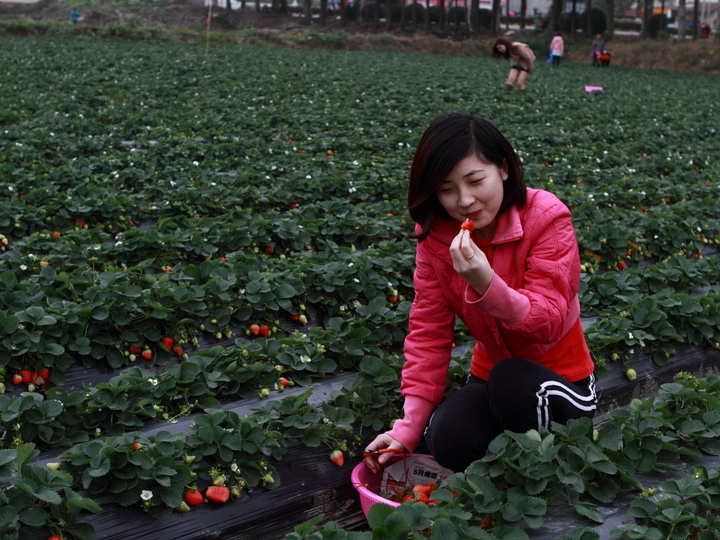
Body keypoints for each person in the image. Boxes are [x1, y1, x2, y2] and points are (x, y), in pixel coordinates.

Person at [363, 113, 597, 473]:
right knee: (447, 440)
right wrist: (407, 428)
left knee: (514, 380)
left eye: (475, 180)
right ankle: (501, 482)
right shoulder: (437, 238)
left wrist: (487, 284)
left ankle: (550, 471)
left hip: (562, 382)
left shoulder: (546, 218)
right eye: (446, 189)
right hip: (491, 376)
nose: (464, 200)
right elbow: (428, 330)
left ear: (503, 168)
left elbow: (548, 322)